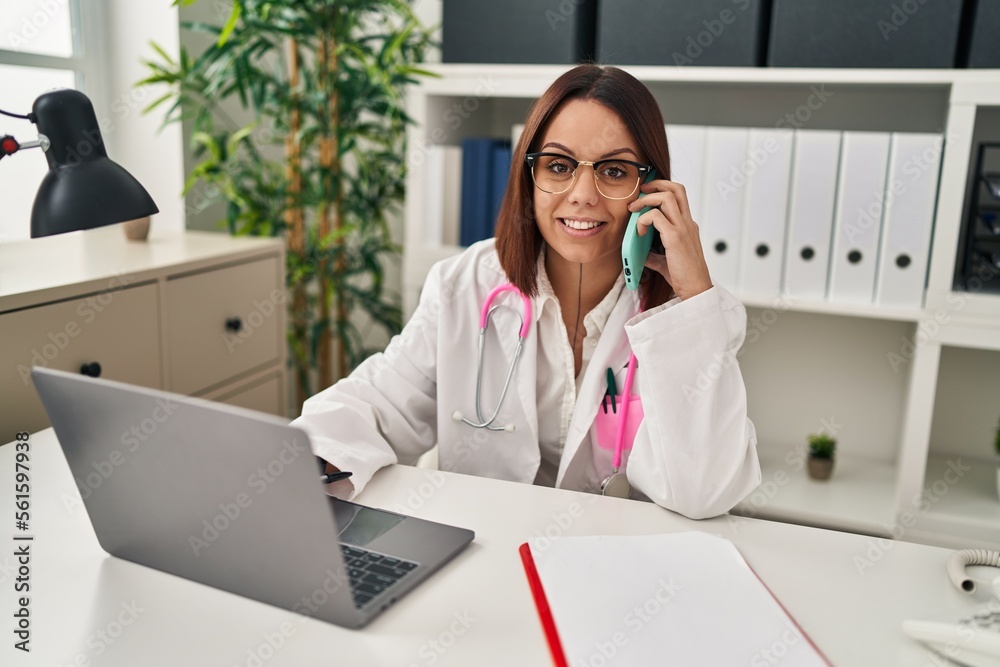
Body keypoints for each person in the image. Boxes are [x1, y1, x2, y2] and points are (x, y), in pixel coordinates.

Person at [292, 64, 760, 519]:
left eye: (614, 171)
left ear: (651, 188)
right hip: (482, 551)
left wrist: (694, 299)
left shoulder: (693, 318)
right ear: (528, 177)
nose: (582, 194)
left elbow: (704, 492)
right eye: (558, 166)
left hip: (614, 565)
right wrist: (301, 460)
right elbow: (378, 402)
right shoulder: (464, 284)